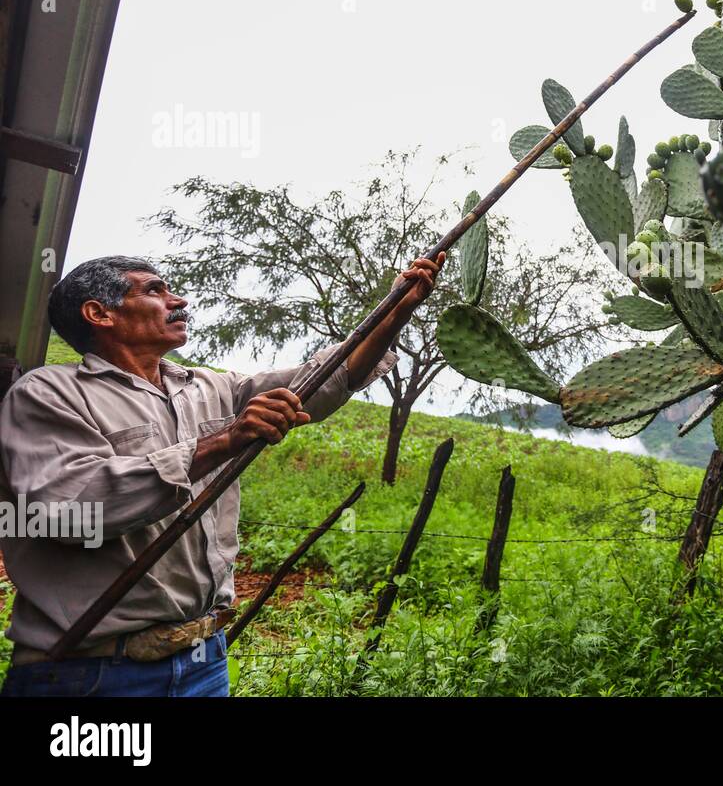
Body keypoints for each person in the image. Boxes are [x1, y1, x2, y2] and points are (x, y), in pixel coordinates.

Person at [0, 251, 444, 696]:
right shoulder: (48, 394)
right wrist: (225, 441)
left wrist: (396, 309)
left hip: (202, 661)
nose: (180, 300)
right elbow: (72, 510)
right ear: (99, 313)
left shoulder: (208, 387)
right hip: (92, 672)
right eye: (155, 290)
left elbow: (325, 378)